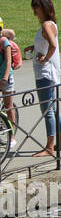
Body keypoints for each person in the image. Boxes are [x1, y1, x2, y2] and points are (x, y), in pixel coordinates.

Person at [24, 0, 61, 157]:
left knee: (47, 109)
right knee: (53, 109)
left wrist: (45, 59)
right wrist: (35, 47)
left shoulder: (47, 25)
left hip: (45, 73)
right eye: (33, 5)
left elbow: (53, 45)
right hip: (50, 72)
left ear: (44, 7)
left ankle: (50, 146)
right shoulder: (50, 24)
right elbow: (48, 42)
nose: (34, 9)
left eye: (36, 6)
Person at [0, 18, 18, 151]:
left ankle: (11, 136)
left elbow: (8, 62)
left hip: (6, 77)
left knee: (8, 106)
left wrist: (5, 77)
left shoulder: (4, 42)